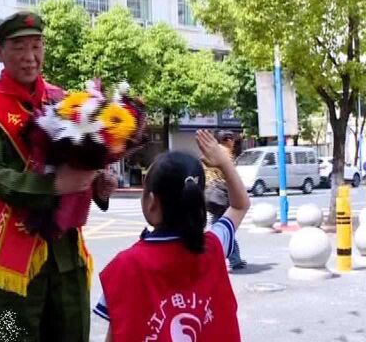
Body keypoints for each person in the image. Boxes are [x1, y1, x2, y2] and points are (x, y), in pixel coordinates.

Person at [0, 11, 117, 341]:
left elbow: (76, 165)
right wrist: (51, 186)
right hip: (14, 247)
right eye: (19, 47)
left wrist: (99, 187)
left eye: (36, 46)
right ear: (0, 53)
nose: (29, 57)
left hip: (66, 249)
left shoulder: (61, 98)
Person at [93, 130, 250, 341]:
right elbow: (240, 205)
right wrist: (224, 162)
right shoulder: (213, 246)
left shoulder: (125, 266)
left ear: (152, 202)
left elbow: (117, 333)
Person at [205, 130, 247, 270]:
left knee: (221, 225)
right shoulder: (225, 154)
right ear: (227, 140)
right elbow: (230, 176)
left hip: (211, 193)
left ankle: (234, 258)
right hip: (221, 195)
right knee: (225, 227)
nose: (234, 143)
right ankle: (231, 258)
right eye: (232, 140)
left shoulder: (211, 152)